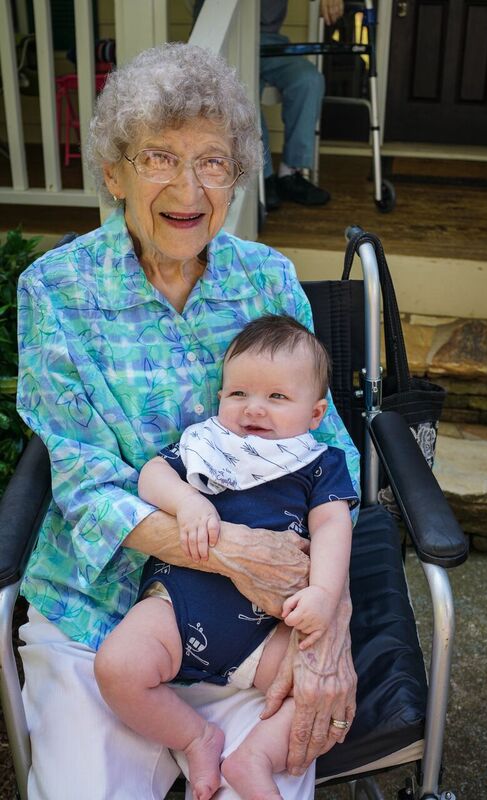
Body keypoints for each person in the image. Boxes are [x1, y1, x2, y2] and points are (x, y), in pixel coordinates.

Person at [16, 41, 359, 800]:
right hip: (102, 615)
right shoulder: (56, 291)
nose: (188, 187)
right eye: (159, 157)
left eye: (212, 162)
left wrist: (328, 619)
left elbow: (329, 451)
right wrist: (230, 551)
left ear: (235, 178)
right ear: (114, 173)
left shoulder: (266, 278)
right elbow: (85, 481)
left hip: (259, 620)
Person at [94, 314, 358, 800]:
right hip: (178, 606)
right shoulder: (206, 443)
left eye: (277, 396)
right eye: (239, 393)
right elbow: (152, 475)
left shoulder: (317, 463)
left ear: (315, 414)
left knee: (319, 694)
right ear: (220, 397)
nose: (254, 408)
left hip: (267, 629)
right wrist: (186, 501)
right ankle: (196, 737)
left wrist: (323, 593)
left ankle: (254, 757)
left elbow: (331, 526)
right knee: (117, 668)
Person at [193, 0, 345, 211]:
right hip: (231, 37)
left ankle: (290, 173)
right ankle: (263, 177)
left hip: (270, 42)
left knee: (309, 80)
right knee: (244, 90)